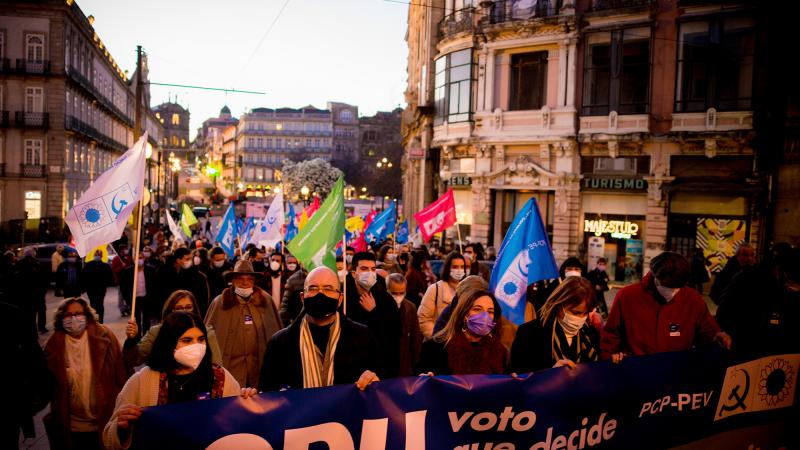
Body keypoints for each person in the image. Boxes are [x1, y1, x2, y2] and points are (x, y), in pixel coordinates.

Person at [103, 312, 256, 450]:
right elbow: (109, 440)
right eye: (187, 340)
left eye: (201, 339)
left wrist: (247, 403)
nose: (196, 346)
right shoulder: (143, 381)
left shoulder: (222, 378)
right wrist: (121, 428)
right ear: (169, 343)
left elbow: (238, 430)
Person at [259, 266, 381, 391]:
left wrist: (375, 382)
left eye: (328, 289)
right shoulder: (280, 343)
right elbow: (267, 393)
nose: (320, 294)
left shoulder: (363, 337)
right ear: (302, 297)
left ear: (340, 299)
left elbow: (379, 383)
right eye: (313, 288)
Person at [600, 252, 732, 362]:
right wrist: (608, 360)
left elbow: (706, 331)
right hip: (635, 371)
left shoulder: (693, 299)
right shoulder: (627, 296)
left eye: (676, 288)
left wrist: (716, 338)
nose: (672, 292)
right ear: (655, 276)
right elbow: (611, 335)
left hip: (675, 373)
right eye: (667, 286)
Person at [43, 297, 127, 450]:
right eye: (69, 315)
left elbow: (122, 373)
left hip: (104, 420)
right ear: (61, 318)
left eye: (78, 313)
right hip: (72, 427)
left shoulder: (105, 336)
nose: (74, 318)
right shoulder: (53, 345)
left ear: (87, 316)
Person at [205, 260, 282, 388]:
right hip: (230, 373)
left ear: (254, 280)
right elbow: (207, 340)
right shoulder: (220, 303)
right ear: (233, 280)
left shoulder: (266, 301)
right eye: (240, 278)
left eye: (249, 278)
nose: (245, 282)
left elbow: (277, 336)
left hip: (259, 372)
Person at [716, 244, 800, 360]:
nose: (749, 258)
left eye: (751, 255)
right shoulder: (746, 277)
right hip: (745, 347)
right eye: (745, 255)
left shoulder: (778, 286)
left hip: (760, 350)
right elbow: (723, 308)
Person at [509, 277, 600, 373]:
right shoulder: (529, 334)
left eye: (585, 313)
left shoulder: (591, 334)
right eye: (575, 313)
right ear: (560, 305)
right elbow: (519, 379)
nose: (581, 318)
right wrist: (550, 374)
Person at [123, 290, 223, 371]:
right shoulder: (156, 332)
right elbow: (133, 360)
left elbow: (216, 366)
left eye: (188, 307)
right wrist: (132, 340)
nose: (184, 312)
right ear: (170, 311)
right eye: (179, 308)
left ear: (195, 309)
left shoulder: (206, 333)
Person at [416, 290, 507, 375]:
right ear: (464, 314)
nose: (485, 316)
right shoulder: (434, 348)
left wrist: (512, 378)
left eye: (490, 311)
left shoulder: (499, 351)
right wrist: (425, 379)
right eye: (477, 309)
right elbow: (419, 380)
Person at [1, 301, 52, 448]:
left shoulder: (11, 314)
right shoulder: (12, 312)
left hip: (10, 405)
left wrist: (33, 401)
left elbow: (34, 359)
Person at [345, 252, 402, 377]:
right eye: (364, 269)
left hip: (379, 366)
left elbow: (394, 333)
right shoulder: (343, 299)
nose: (369, 273)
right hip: (350, 367)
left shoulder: (386, 299)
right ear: (354, 273)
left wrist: (374, 312)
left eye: (373, 269)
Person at [418, 252, 466, 338]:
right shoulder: (435, 289)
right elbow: (423, 318)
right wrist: (437, 337)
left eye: (462, 267)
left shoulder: (467, 291)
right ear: (448, 268)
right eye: (455, 267)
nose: (459, 270)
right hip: (439, 344)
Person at [155, 247, 210, 317]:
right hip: (171, 314)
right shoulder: (164, 274)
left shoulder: (198, 276)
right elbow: (159, 295)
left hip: (193, 314)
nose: (190, 261)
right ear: (178, 260)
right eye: (187, 259)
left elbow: (203, 298)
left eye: (191, 258)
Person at [386, 273, 423, 377]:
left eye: (401, 293)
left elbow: (415, 339)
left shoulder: (410, 307)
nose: (398, 296)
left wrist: (415, 365)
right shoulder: (380, 306)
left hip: (405, 364)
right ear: (387, 290)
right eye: (394, 293)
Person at [119, 251, 158, 335]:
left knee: (146, 319)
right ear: (133, 259)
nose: (139, 260)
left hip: (147, 298)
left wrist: (153, 299)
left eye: (140, 258)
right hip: (134, 299)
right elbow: (123, 287)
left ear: (144, 259)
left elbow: (155, 285)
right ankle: (137, 336)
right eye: (137, 258)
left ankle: (146, 336)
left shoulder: (151, 270)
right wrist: (127, 299)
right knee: (136, 319)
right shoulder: (128, 272)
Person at [14, 246, 50, 333]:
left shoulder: (20, 264)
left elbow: (16, 279)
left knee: (30, 313)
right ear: (33, 253)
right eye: (34, 252)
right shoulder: (37, 263)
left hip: (26, 293)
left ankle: (30, 329)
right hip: (38, 292)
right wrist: (43, 290)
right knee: (40, 310)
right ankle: (41, 328)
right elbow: (44, 279)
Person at [81, 249, 115, 323]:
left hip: (100, 289)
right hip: (91, 289)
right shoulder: (88, 265)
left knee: (99, 304)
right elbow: (83, 277)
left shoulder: (105, 266)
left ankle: (100, 320)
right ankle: (94, 320)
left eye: (98, 255)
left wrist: (107, 284)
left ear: (101, 256)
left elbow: (110, 277)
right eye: (96, 255)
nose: (97, 256)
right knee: (93, 304)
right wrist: (83, 288)